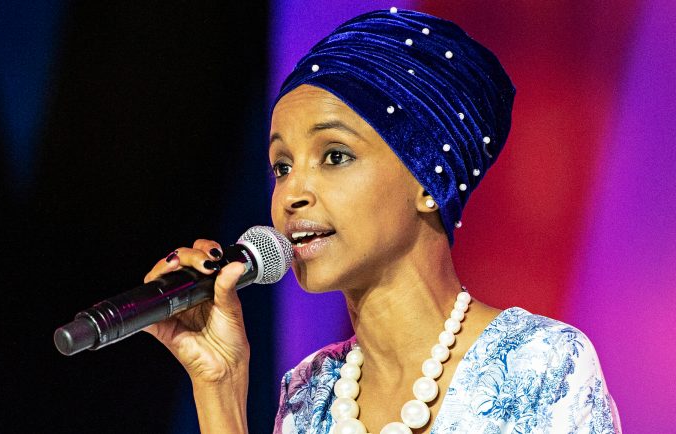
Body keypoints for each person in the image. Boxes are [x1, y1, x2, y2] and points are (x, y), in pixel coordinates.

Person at [141, 9, 621, 434]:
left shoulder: (543, 367)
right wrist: (219, 385)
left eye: (334, 155)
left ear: (427, 181)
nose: (291, 194)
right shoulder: (310, 395)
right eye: (281, 167)